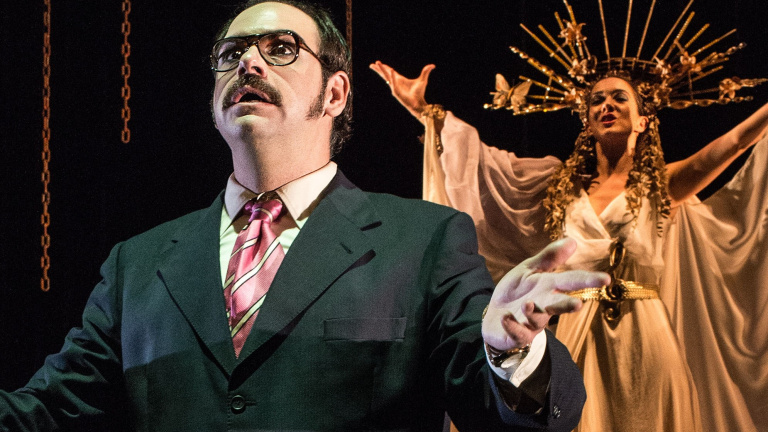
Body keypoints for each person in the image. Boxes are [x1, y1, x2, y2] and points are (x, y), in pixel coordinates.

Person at [0, 2, 611, 431]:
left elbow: (499, 416)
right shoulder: (136, 265)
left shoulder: (425, 241)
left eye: (281, 49)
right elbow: (47, 413)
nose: (249, 64)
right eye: (231, 53)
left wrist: (510, 355)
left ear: (336, 93)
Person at [371, 59, 768, 432]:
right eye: (597, 100)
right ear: (587, 121)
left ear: (643, 120)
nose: (606, 105)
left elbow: (733, 143)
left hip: (646, 335)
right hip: (580, 326)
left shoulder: (661, 185)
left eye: (619, 98)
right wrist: (423, 109)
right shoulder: (560, 187)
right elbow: (486, 169)